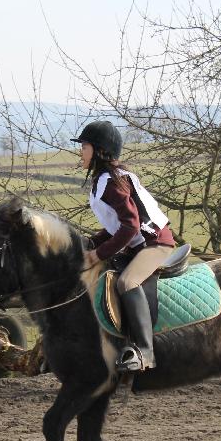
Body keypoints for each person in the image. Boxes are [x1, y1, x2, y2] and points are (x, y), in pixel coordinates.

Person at [72, 121, 176, 373]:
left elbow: (130, 227)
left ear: (99, 150)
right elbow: (115, 226)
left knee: (127, 283)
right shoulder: (103, 180)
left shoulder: (110, 182)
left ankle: (145, 351)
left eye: (84, 147)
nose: (81, 152)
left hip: (155, 242)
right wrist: (91, 243)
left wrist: (98, 253)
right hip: (138, 243)